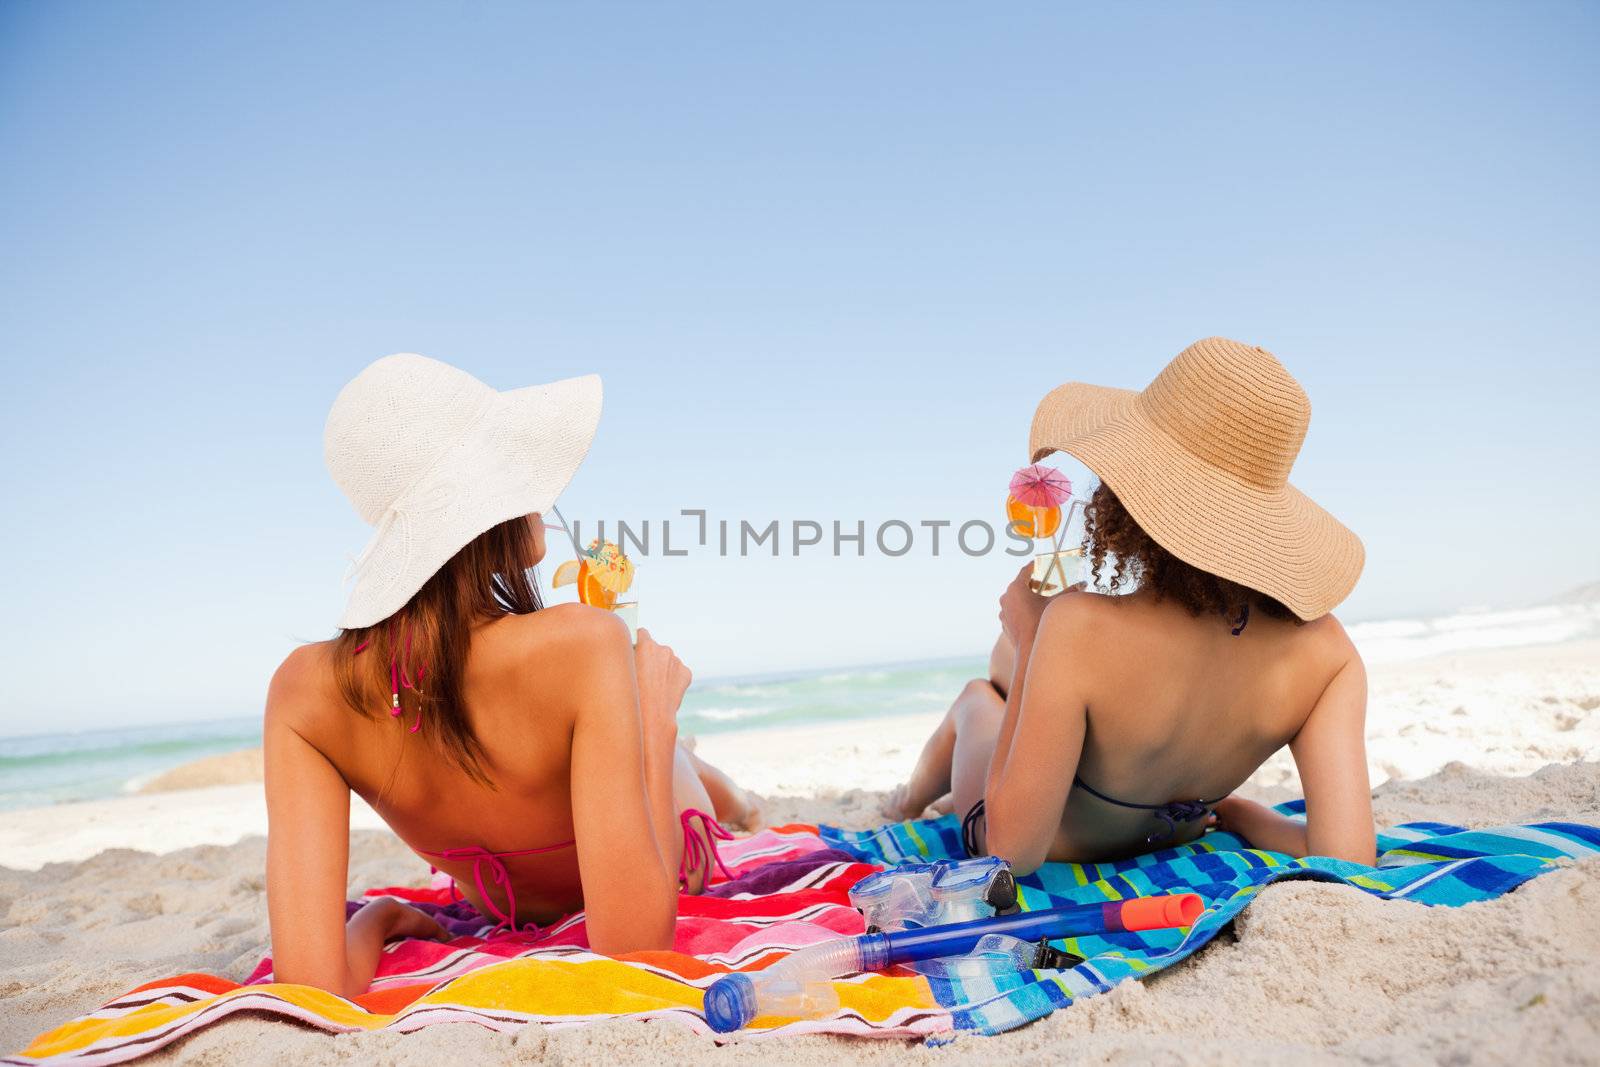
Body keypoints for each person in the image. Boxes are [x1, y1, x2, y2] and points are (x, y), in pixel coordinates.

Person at [264, 353, 755, 997]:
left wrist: (376, 918)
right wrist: (657, 723)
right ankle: (714, 778)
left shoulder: (303, 693)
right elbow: (636, 951)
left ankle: (726, 786)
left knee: (691, 767)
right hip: (665, 826)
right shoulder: (581, 639)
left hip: (508, 904)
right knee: (687, 773)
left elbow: (310, 986)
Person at [887, 338, 1376, 872]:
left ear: (1128, 492)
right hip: (1172, 834)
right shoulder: (1331, 653)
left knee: (979, 697)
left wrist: (1032, 640)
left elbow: (1012, 853)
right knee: (1008, 690)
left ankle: (907, 804)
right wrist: (1239, 812)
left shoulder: (1081, 624)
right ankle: (914, 798)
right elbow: (1348, 858)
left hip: (1056, 843)